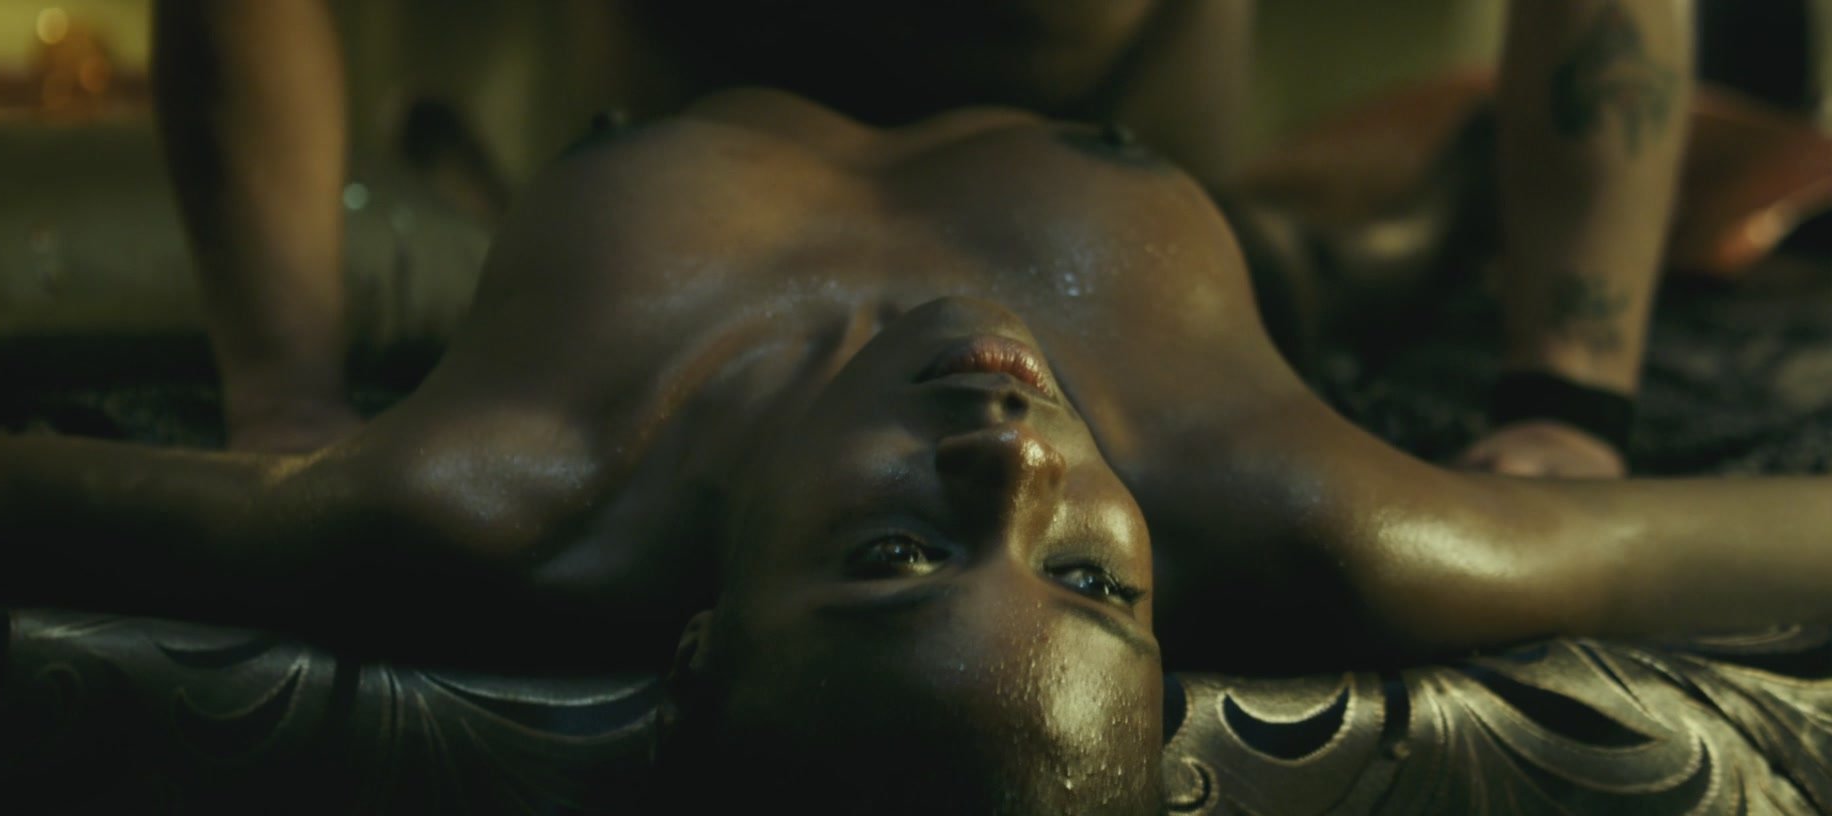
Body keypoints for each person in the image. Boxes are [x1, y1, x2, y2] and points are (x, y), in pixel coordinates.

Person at [0, 89, 1829, 814]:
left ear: (701, 637)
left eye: (894, 558)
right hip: (1132, 126)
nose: (1017, 470)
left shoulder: (480, 493)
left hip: (685, 78)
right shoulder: (1325, 520)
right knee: (1344, 257)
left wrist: (283, 386)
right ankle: (1408, 212)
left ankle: (457, 176)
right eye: (1090, 582)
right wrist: (1569, 410)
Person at [153, 1, 1691, 482]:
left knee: (1339, 257)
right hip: (681, 230)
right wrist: (285, 396)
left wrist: (1566, 393)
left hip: (1139, 250)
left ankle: (1410, 207)